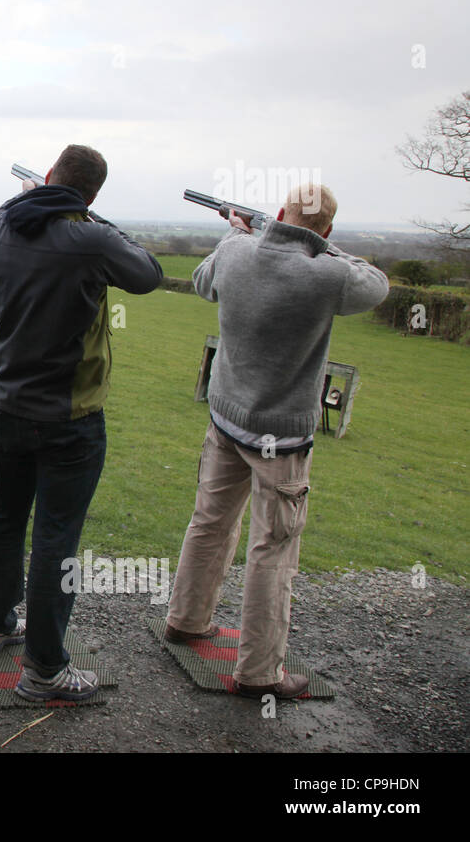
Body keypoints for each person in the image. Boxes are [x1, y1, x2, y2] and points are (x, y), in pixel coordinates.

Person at [165, 185, 388, 697]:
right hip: (281, 436)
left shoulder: (236, 250)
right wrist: (321, 247)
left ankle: (186, 619)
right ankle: (260, 673)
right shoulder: (329, 272)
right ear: (327, 231)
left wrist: (237, 237)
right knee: (273, 550)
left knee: (209, 522)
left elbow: (204, 285)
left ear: (281, 213)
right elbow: (376, 284)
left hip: (225, 416)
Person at [0, 144, 162, 701]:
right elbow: (147, 273)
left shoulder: (5, 227)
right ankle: (45, 671)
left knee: (4, 521)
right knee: (57, 539)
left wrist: (24, 198)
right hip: (71, 419)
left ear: (49, 176)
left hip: (8, 406)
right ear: (93, 195)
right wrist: (85, 217)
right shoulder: (92, 238)